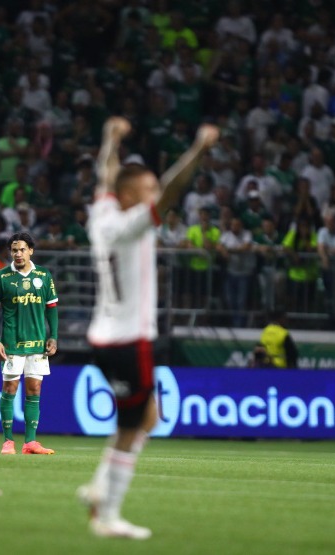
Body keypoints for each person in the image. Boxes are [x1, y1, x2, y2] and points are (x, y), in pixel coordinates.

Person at [77, 117, 219, 539]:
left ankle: (99, 489)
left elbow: (105, 173)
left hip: (103, 337)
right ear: (129, 195)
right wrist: (198, 148)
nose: (154, 196)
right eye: (147, 190)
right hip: (128, 341)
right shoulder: (128, 225)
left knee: (147, 419)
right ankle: (108, 515)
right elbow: (174, 191)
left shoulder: (101, 216)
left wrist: (110, 138)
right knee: (131, 427)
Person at [0, 232, 59, 455]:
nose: (18, 253)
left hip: (37, 344)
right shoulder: (2, 277)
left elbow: (52, 308)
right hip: (11, 344)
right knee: (10, 388)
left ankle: (30, 442)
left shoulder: (43, 275)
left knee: (34, 389)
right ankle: (8, 441)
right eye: (14, 250)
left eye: (22, 249)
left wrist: (53, 336)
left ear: (31, 251)